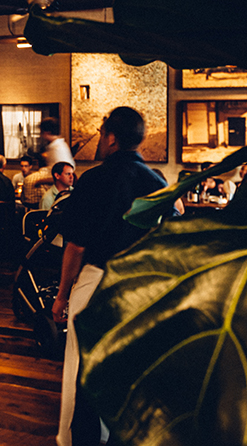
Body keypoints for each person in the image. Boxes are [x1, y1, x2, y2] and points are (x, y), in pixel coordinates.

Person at [51, 107, 173, 446]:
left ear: (112, 138)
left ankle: (76, 439)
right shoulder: (158, 184)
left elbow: (76, 246)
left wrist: (61, 295)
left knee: (80, 366)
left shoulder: (93, 180)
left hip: (96, 283)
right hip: (142, 288)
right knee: (126, 370)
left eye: (102, 134)